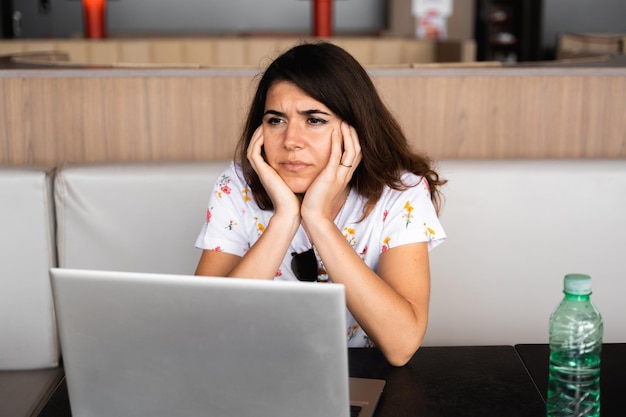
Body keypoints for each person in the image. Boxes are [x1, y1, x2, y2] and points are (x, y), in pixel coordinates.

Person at [195, 41, 446, 367]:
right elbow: (204, 329)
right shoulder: (236, 187)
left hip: (356, 378)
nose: (290, 141)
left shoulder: (401, 193)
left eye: (313, 119)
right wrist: (284, 218)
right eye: (275, 120)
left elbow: (401, 346)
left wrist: (318, 220)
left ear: (354, 129)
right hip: (253, 369)